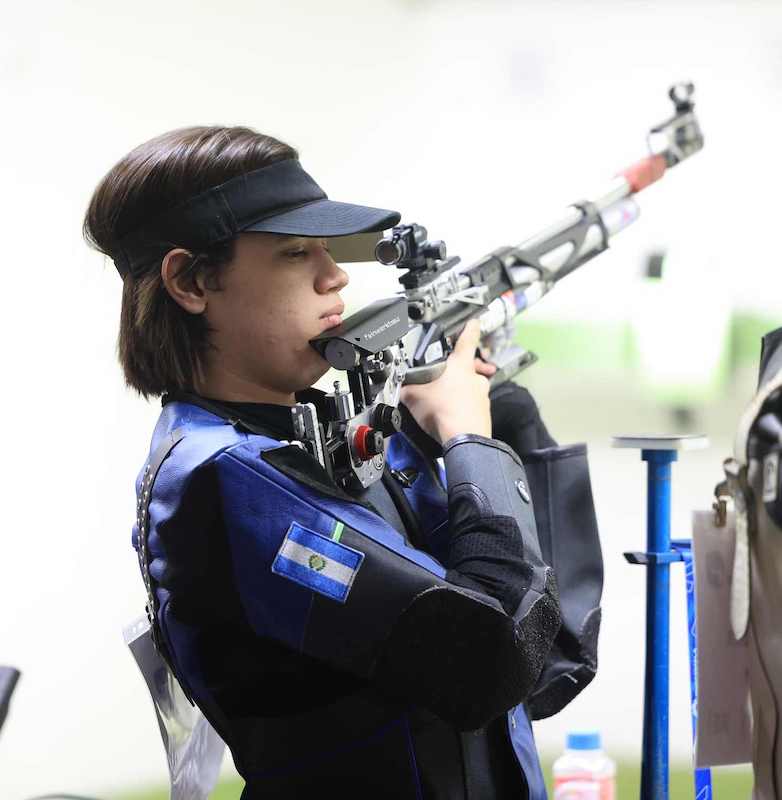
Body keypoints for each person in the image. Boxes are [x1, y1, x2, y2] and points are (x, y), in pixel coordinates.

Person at [84, 125, 598, 799]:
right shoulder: (221, 475)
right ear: (191, 281)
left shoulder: (332, 441)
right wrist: (470, 441)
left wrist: (504, 416)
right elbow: (486, 666)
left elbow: (548, 658)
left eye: (327, 250)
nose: (336, 276)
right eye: (297, 252)